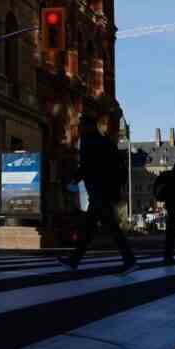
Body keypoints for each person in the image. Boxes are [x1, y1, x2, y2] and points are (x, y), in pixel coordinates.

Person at [58, 114, 138, 275]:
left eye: (81, 125)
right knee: (92, 228)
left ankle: (129, 260)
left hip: (98, 191)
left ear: (88, 126)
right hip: (104, 191)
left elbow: (87, 164)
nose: (79, 128)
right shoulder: (103, 139)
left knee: (106, 227)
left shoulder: (89, 140)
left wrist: (74, 179)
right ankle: (74, 260)